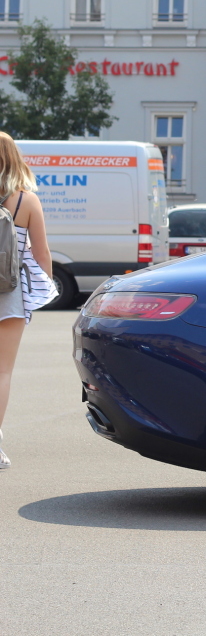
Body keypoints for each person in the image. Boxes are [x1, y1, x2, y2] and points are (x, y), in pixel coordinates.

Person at [0, 132, 56, 470]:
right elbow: (41, 254)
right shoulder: (27, 201)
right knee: (2, 371)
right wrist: (42, 294)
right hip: (10, 294)